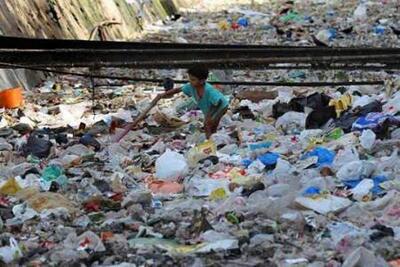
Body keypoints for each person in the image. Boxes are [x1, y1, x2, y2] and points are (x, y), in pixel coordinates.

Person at [161, 66, 229, 139]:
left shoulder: (209, 90)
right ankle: (212, 140)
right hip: (210, 107)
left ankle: (210, 142)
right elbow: (178, 89)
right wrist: (165, 94)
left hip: (220, 106)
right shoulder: (191, 86)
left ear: (202, 81)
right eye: (189, 78)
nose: (190, 81)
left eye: (193, 79)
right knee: (210, 125)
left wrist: (209, 116)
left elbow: (219, 102)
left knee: (208, 125)